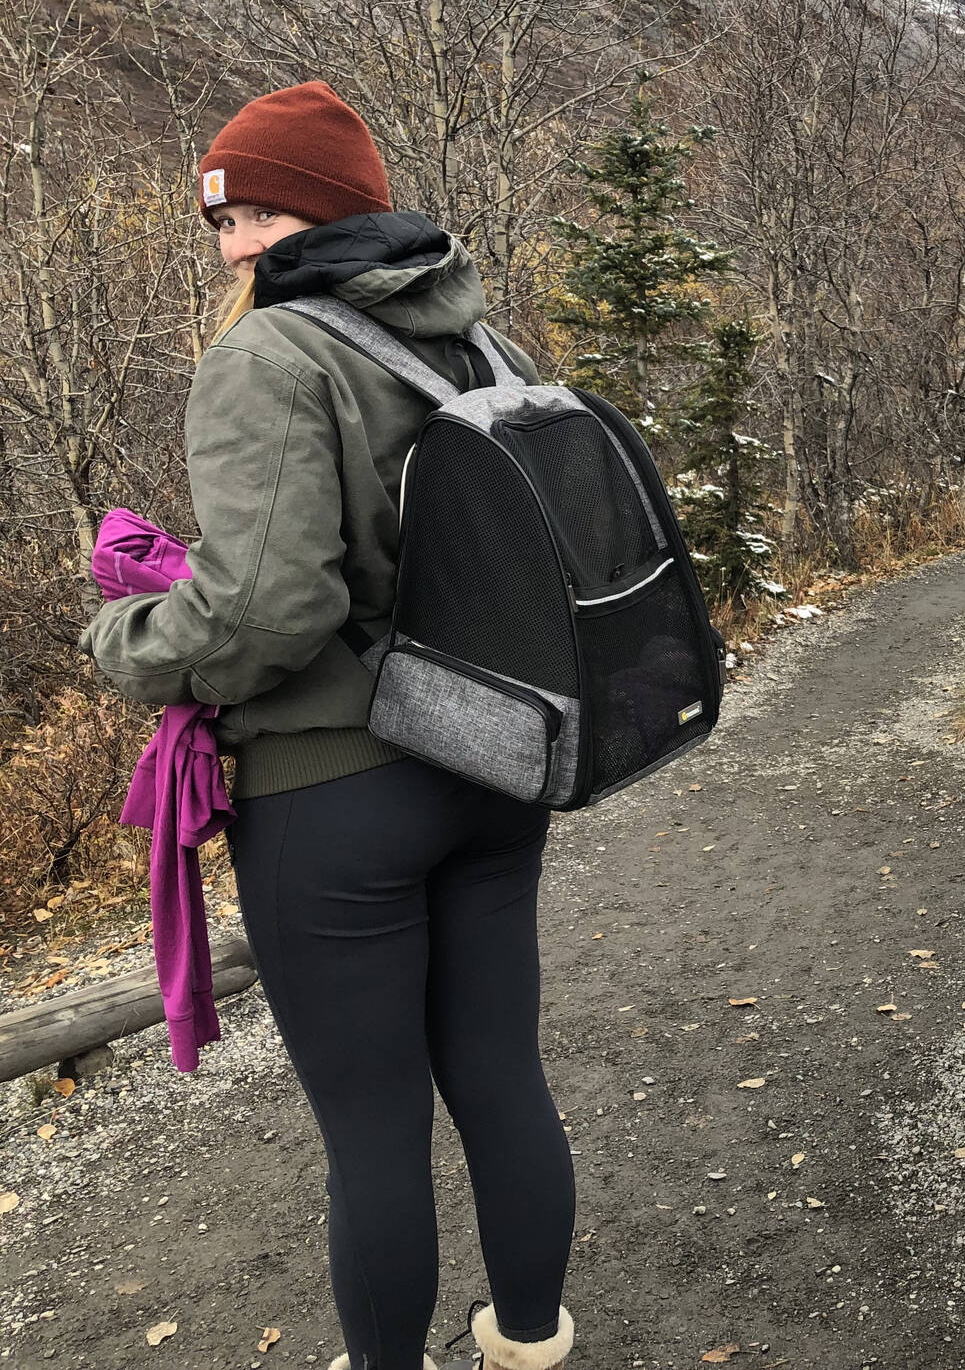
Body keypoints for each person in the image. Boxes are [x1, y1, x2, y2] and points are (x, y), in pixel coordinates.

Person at [85, 82, 578, 1370]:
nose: (233, 244)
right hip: (491, 756)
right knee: (498, 1074)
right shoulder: (486, 345)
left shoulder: (269, 356)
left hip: (335, 797)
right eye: (224, 219)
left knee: (372, 1126)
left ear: (317, 216)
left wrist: (132, 643)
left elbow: (269, 608)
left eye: (253, 213)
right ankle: (528, 1339)